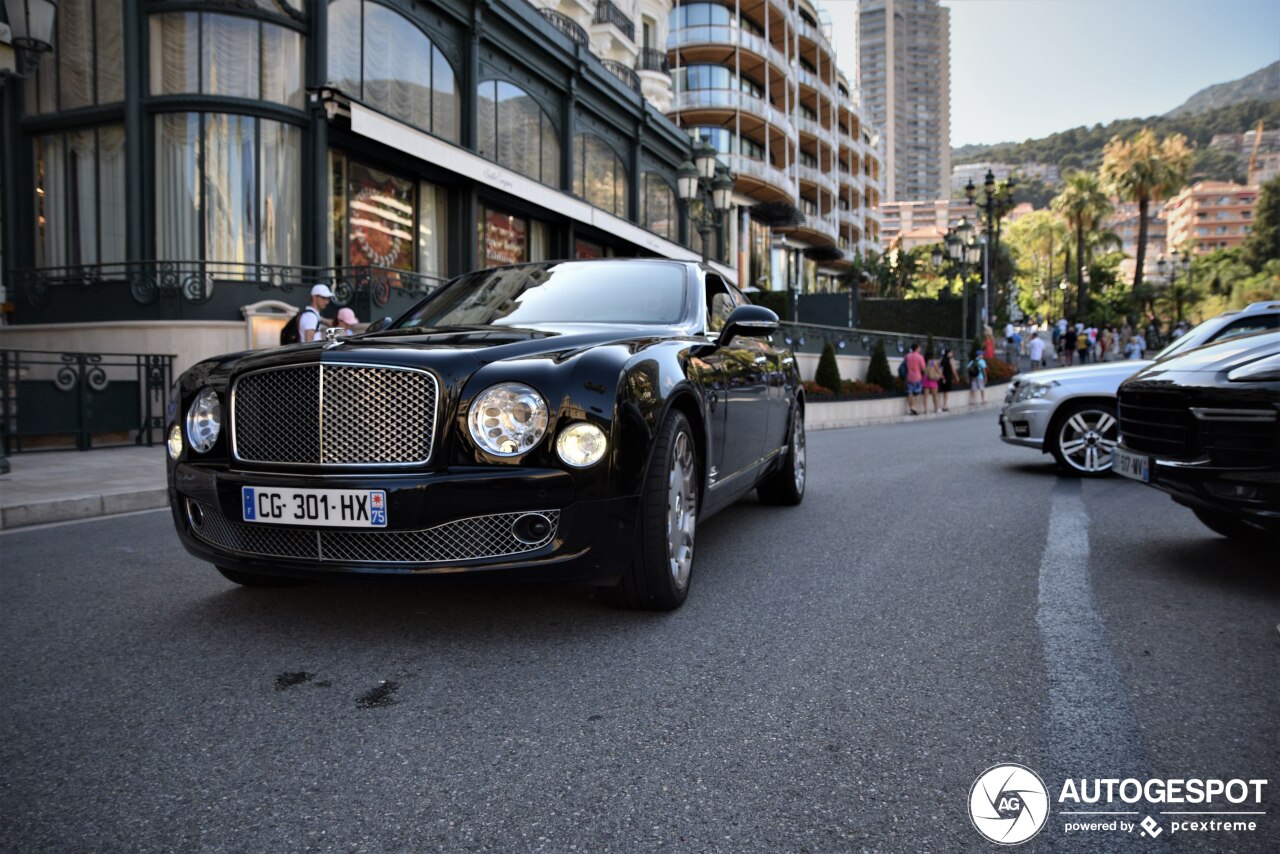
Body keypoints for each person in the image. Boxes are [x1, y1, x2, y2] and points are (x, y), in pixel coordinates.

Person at [903, 343, 926, 416]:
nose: (920, 349)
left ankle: (911, 408)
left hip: (908, 377)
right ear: (916, 348)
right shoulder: (920, 357)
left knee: (909, 393)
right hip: (917, 377)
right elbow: (923, 368)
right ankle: (913, 407)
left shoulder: (907, 356)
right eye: (919, 348)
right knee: (918, 393)